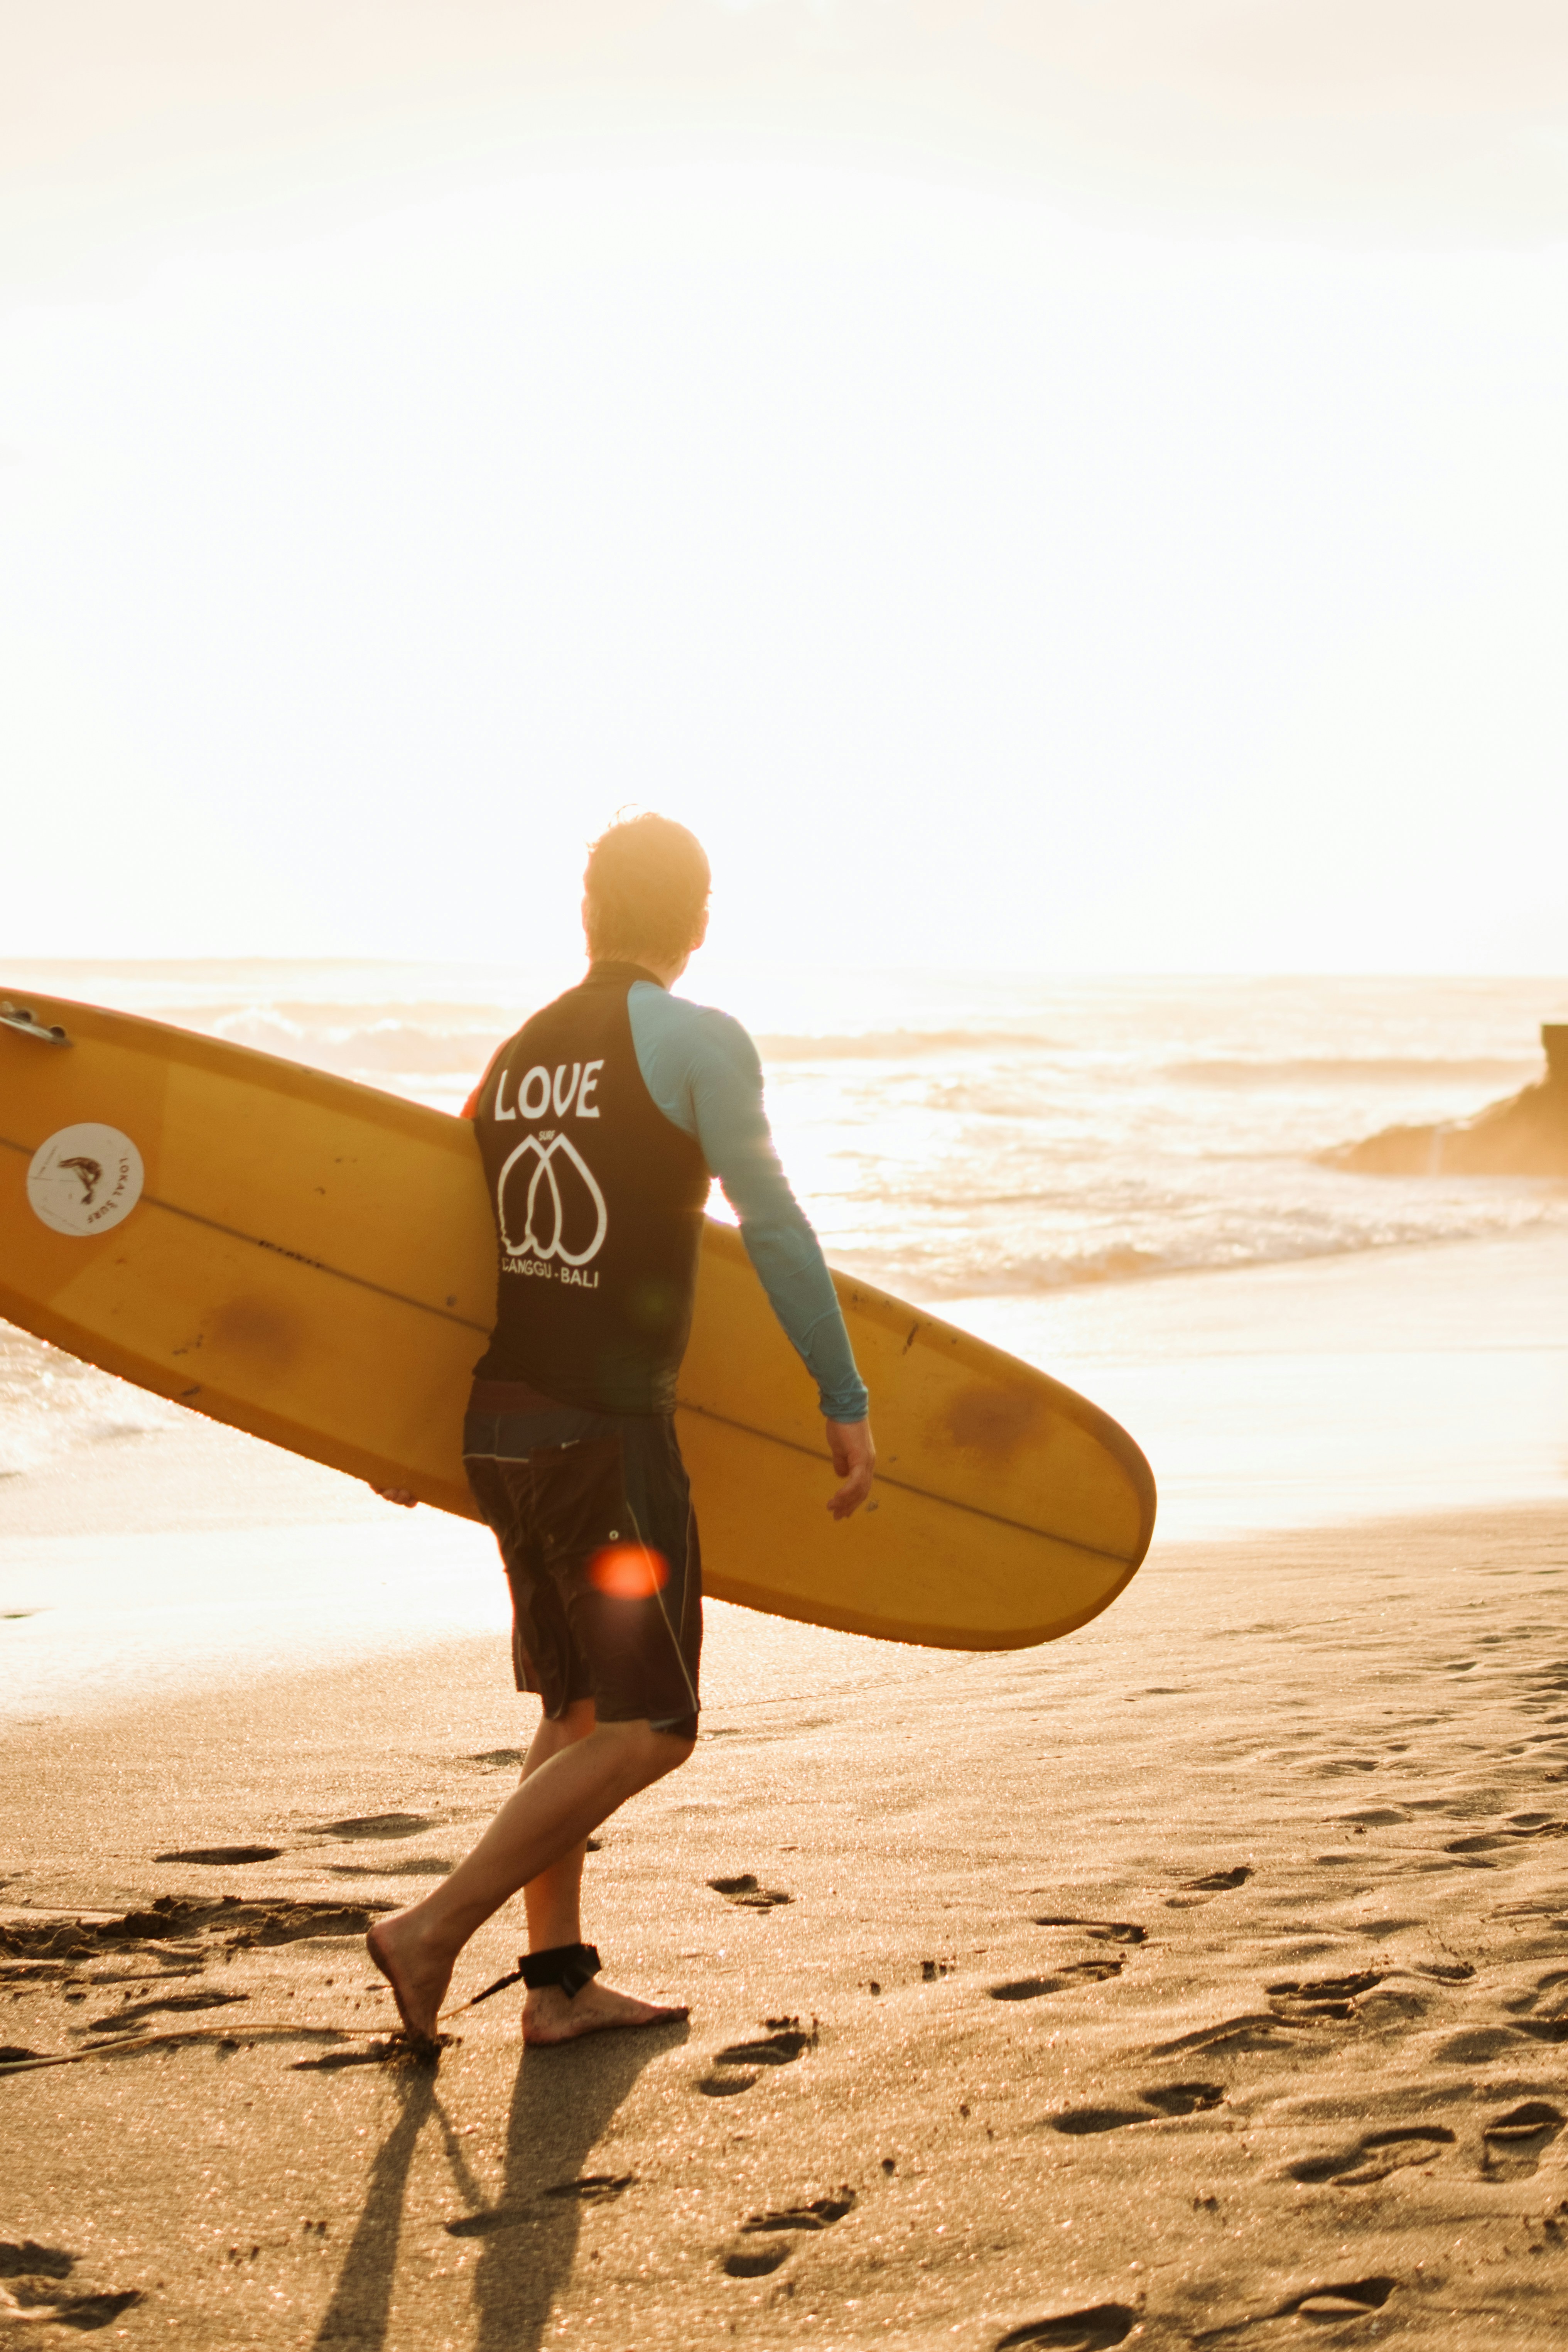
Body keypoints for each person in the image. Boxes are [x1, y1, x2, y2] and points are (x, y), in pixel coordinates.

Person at [367, 814, 875, 2046]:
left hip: (502, 1422)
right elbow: (772, 1222)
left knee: (578, 1710)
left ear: (585, 913)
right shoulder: (700, 1042)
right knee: (656, 1726)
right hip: (602, 1427)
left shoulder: (516, 1055)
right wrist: (843, 1394)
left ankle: (558, 1989)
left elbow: (440, 1234)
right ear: (698, 926)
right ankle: (432, 1928)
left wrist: (371, 1417)